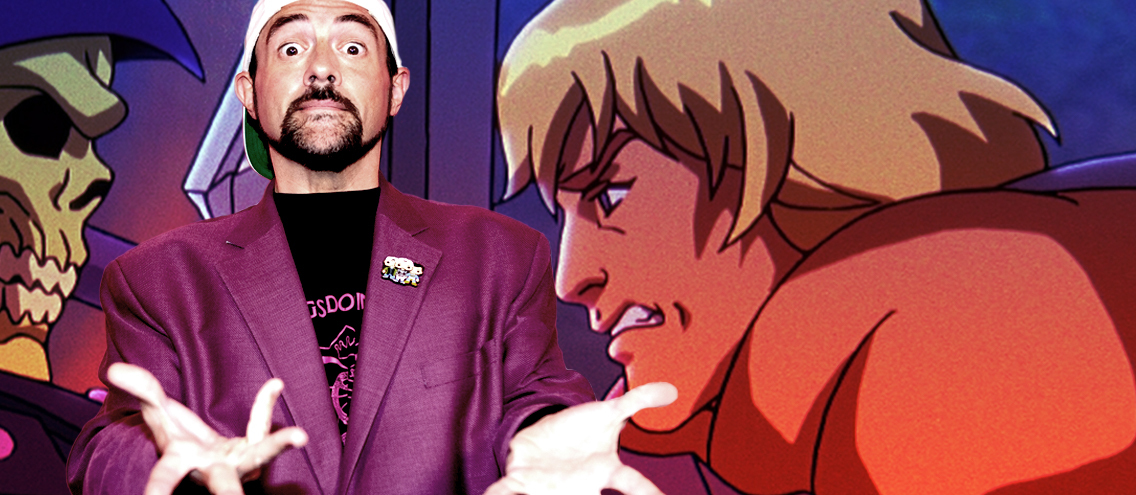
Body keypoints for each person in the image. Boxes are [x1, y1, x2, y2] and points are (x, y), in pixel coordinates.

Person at [497, 0, 1136, 493]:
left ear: (791, 159)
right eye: (566, 213)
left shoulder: (948, 318)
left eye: (611, 194)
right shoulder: (722, 405)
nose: (571, 277)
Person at [65, 0, 676, 493]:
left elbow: (535, 396)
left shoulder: (500, 256)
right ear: (248, 92)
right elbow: (108, 444)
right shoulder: (159, 278)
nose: (321, 68)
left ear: (396, 88)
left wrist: (546, 434)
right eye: (291, 47)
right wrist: (159, 462)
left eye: (352, 47)